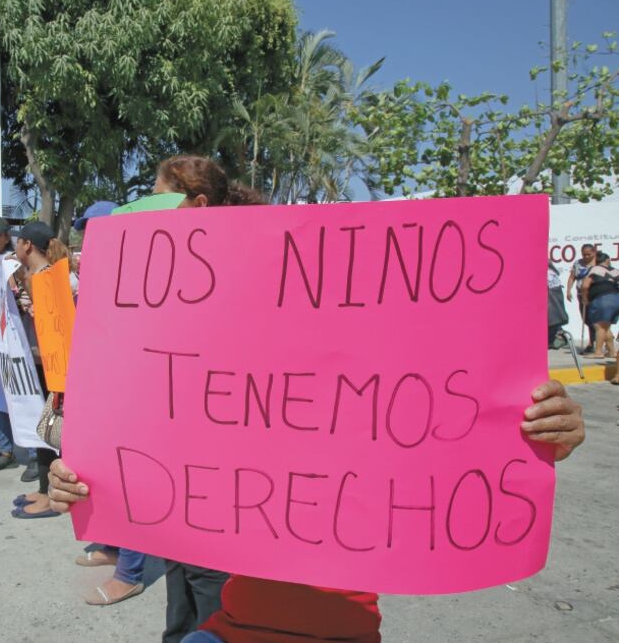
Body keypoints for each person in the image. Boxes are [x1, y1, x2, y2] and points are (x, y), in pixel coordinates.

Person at [49, 155, 590, 643]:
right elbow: (141, 441)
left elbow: (463, 430)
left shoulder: (373, 401)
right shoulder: (216, 382)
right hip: (230, 624)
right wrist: (78, 478)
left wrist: (548, 428)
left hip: (341, 629)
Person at [10, 220, 71, 520]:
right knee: (43, 426)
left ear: (27, 245)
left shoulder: (52, 279)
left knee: (52, 429)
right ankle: (44, 488)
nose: (15, 247)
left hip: (55, 368)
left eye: (17, 241)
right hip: (39, 362)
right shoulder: (35, 276)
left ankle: (50, 496)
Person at [0, 216, 38, 482]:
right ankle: (6, 450)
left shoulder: (14, 263)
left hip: (16, 342)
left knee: (25, 393)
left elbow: (24, 300)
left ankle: (35, 454)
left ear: (6, 237)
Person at [580, 251, 619, 359]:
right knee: (605, 326)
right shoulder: (616, 271)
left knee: (599, 326)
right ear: (607, 260)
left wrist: (585, 298)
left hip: (602, 299)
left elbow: (585, 285)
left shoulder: (594, 269)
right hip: (616, 299)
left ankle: (598, 352)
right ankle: (611, 352)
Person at [566, 244, 597, 352]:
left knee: (596, 320)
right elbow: (572, 277)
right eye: (584, 254)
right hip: (581, 295)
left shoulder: (598, 263)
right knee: (586, 319)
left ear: (594, 252)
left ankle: (592, 343)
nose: (586, 257)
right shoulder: (578, 263)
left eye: (589, 254)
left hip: (594, 294)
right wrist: (568, 290)